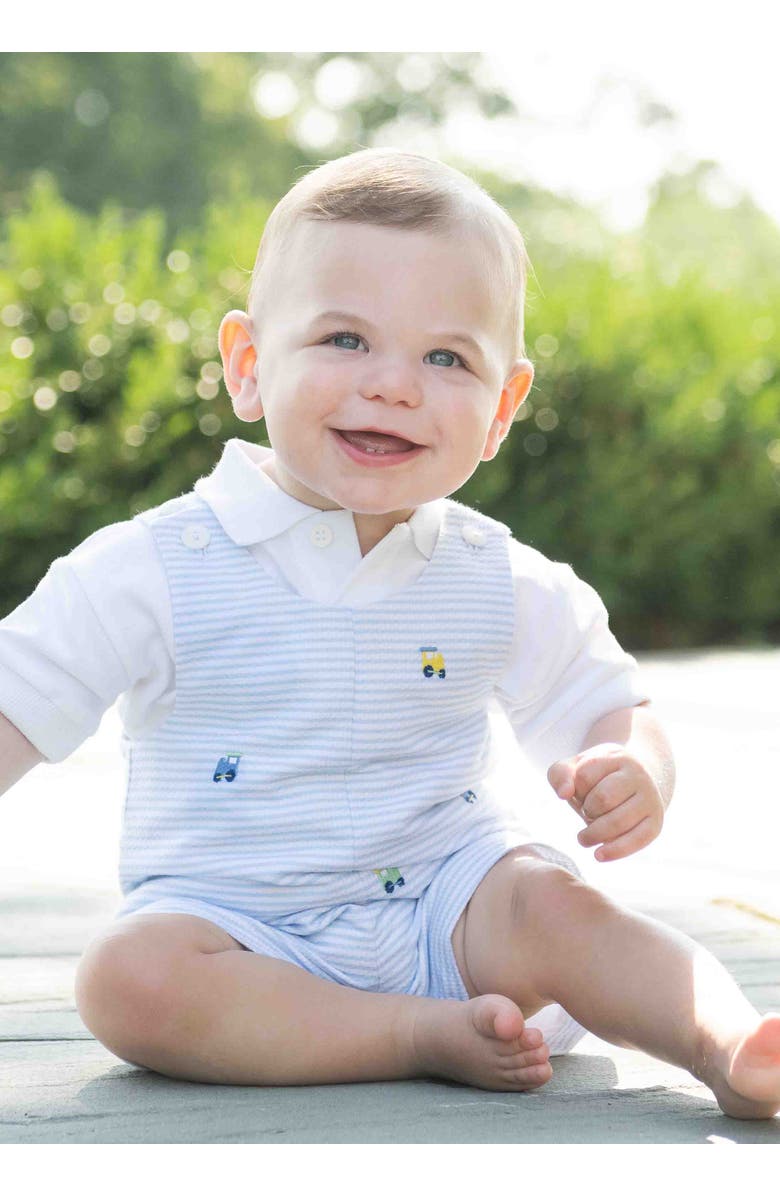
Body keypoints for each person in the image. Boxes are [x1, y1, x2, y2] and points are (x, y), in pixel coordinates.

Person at [0, 148, 778, 1118]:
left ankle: (729, 1038)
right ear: (248, 365)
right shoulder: (153, 565)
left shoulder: (499, 574)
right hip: (238, 933)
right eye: (344, 339)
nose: (394, 385)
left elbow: (610, 706)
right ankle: (412, 1035)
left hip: (453, 913)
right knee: (128, 977)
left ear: (501, 408)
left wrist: (631, 769)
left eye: (446, 357)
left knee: (552, 901)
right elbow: (16, 700)